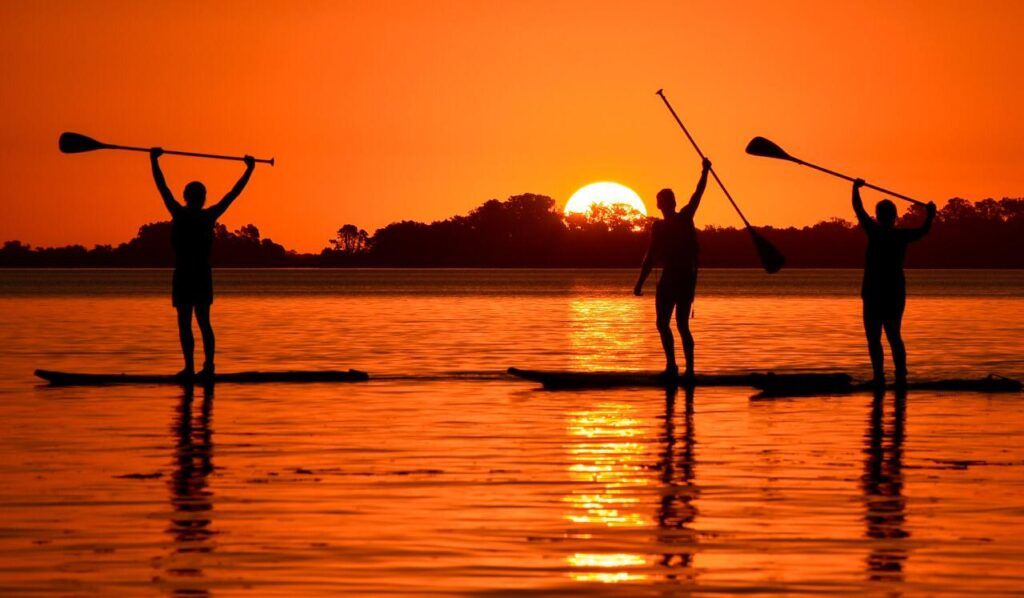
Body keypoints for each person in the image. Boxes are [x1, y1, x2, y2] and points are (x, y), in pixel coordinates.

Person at [150, 148, 256, 380]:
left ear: (187, 196)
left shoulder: (180, 213)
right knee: (201, 322)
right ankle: (205, 367)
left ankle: (193, 368)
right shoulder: (207, 215)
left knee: (188, 323)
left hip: (187, 274)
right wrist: (249, 170)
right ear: (201, 198)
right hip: (198, 275)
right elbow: (232, 194)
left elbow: (163, 188)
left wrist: (154, 161)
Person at [852, 178, 936, 387]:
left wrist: (855, 189)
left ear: (879, 216)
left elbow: (859, 210)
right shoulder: (902, 235)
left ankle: (879, 377)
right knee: (893, 335)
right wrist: (930, 215)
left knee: (875, 337)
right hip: (893, 291)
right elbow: (924, 231)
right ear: (894, 216)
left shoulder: (875, 231)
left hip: (874, 292)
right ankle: (899, 376)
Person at [634, 157, 711, 380]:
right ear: (661, 205)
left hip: (684, 277)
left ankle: (687, 370)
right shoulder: (658, 227)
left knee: (680, 325)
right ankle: (673, 367)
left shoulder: (685, 217)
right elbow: (649, 257)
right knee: (664, 324)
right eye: (664, 201)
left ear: (669, 204)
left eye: (667, 201)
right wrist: (639, 283)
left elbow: (698, 194)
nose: (666, 204)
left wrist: (705, 172)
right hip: (672, 278)